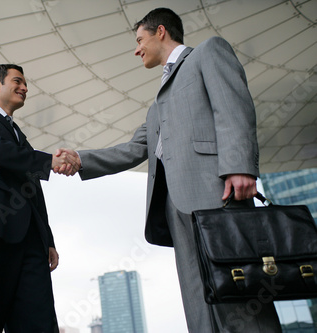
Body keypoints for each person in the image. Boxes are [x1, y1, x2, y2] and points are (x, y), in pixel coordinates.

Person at [55, 7, 282, 333]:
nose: (136, 49)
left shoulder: (208, 53)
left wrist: (240, 167)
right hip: (174, 207)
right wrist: (79, 159)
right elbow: (134, 150)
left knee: (240, 293)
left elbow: (233, 107)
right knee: (198, 300)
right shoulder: (157, 105)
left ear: (160, 31)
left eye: (139, 39)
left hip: (217, 193)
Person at [0, 64, 69, 332]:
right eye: (17, 81)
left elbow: (34, 191)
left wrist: (47, 240)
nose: (24, 88)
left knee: (39, 323)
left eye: (25, 84)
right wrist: (47, 160)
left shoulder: (21, 137)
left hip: (29, 243)